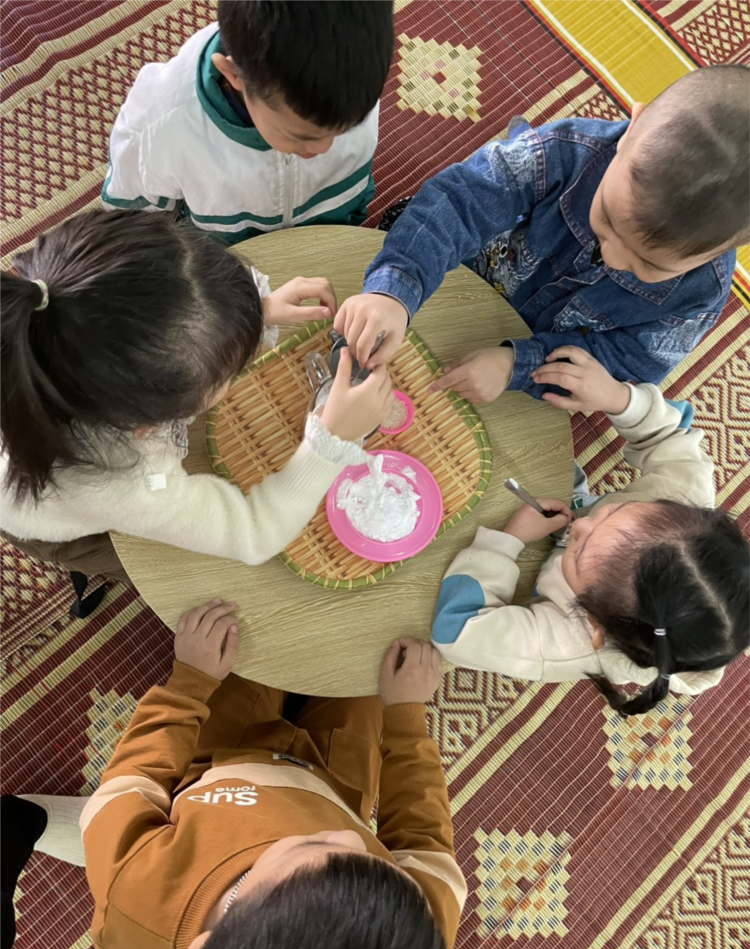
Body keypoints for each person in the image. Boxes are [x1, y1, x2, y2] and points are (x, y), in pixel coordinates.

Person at [1, 600, 465, 949]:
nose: (352, 836)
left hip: (221, 755)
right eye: (377, 862)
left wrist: (189, 685)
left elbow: (129, 783)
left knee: (248, 623)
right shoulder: (406, 940)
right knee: (366, 645)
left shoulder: (137, 896)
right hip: (341, 777)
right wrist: (406, 719)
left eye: (312, 846)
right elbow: (423, 840)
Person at [0, 209, 392, 588]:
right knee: (154, 565)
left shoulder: (49, 320)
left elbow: (141, 316)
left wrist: (246, 318)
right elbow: (255, 533)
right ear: (145, 424)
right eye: (226, 374)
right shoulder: (126, 483)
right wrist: (329, 443)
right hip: (47, 518)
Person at [332, 66, 750, 403]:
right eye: (607, 219)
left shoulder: (700, 293)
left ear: (722, 251)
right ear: (631, 129)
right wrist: (395, 289)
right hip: (472, 269)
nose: (614, 257)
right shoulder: (566, 153)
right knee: (420, 222)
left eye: (648, 265)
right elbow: (459, 202)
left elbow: (628, 366)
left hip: (538, 347)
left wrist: (518, 365)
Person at [430, 348, 750, 715]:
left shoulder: (574, 642)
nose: (580, 524)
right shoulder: (685, 497)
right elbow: (672, 434)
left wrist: (507, 541)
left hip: (527, 568)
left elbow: (456, 631)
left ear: (596, 625)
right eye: (617, 510)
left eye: (580, 547)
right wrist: (618, 398)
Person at [102, 0, 394, 241]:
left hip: (328, 241)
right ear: (233, 76)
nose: (324, 148)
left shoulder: (352, 73)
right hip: (225, 269)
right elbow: (131, 229)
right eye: (299, 136)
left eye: (349, 127)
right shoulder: (159, 126)